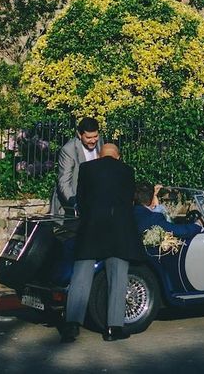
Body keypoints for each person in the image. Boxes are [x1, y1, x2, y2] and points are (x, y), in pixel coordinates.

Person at [60, 142, 147, 343]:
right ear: (118, 156)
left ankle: (72, 325)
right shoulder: (127, 171)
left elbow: (81, 199)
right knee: (117, 276)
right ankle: (113, 327)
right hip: (119, 229)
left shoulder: (87, 168)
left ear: (100, 155)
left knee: (81, 276)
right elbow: (128, 201)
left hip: (92, 228)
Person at [50, 116, 100, 215]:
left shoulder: (100, 143)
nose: (93, 141)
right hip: (71, 207)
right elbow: (64, 182)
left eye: (95, 136)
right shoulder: (68, 150)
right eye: (89, 138)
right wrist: (76, 204)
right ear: (79, 135)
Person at [133, 182, 203, 238]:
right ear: (152, 200)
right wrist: (198, 224)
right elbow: (182, 232)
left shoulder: (127, 214)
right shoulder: (153, 218)